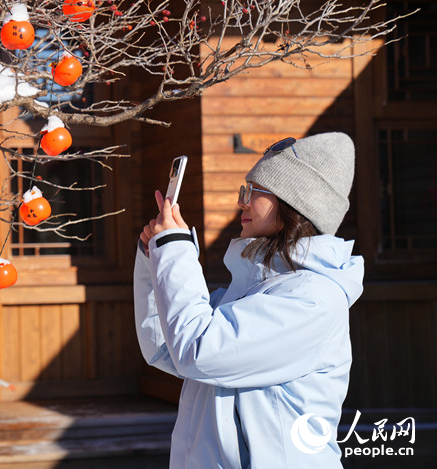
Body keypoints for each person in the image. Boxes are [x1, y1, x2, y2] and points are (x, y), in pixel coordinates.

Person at [134, 133, 364, 468]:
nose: (242, 202)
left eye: (254, 190)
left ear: (294, 204)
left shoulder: (312, 300)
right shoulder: (252, 290)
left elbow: (197, 350)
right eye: (245, 190)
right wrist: (154, 259)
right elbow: (164, 348)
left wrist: (174, 248)